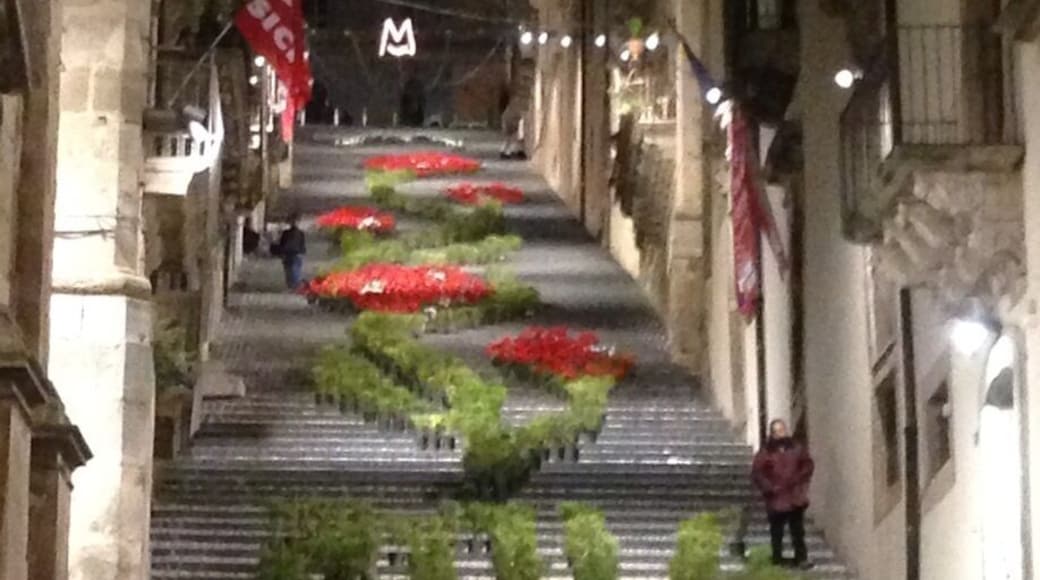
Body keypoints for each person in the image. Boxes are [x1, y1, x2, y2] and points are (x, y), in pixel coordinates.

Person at [751, 419, 815, 569]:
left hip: (794, 497)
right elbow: (757, 473)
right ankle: (777, 557)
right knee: (776, 531)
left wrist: (799, 481)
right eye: (778, 431)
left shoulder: (797, 448)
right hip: (776, 497)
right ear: (772, 434)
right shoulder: (766, 452)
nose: (781, 433)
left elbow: (807, 465)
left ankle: (801, 558)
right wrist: (768, 487)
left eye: (783, 430)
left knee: (797, 530)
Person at [277, 213, 306, 290]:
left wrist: (302, 253)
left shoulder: (299, 233)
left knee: (293, 270)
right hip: (290, 254)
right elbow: (282, 244)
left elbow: (302, 244)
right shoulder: (288, 233)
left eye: (296, 221)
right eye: (293, 221)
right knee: (290, 270)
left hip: (294, 254)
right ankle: (292, 285)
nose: (294, 223)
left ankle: (294, 285)